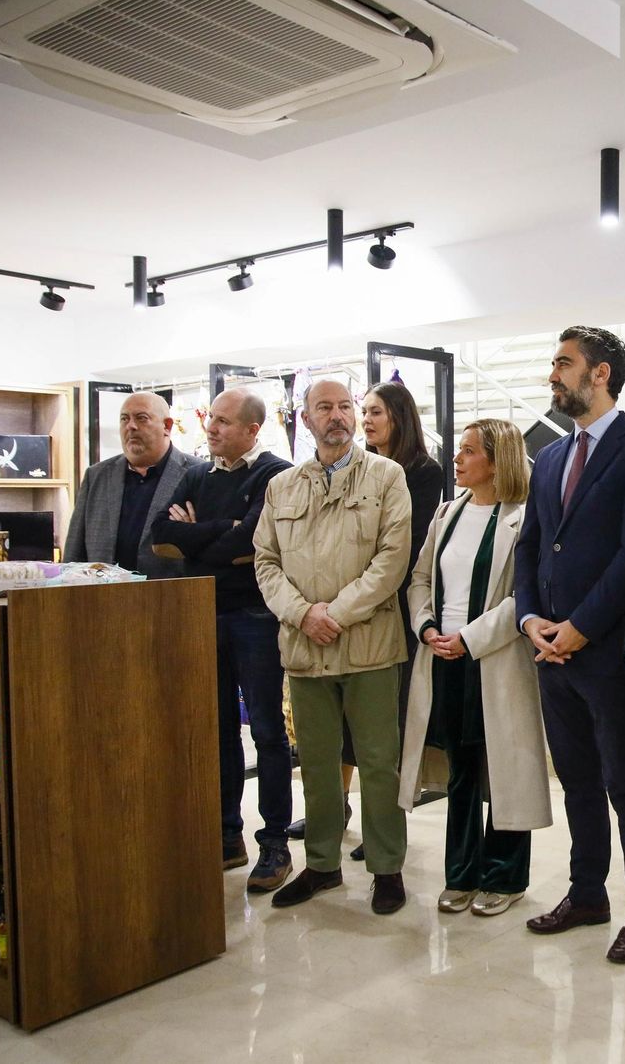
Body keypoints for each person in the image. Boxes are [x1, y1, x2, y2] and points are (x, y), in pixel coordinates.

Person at [513, 325, 625, 963]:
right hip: (550, 648)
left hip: (606, 652)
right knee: (577, 780)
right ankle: (587, 893)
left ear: (600, 373)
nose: (552, 375)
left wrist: (581, 627)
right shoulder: (550, 456)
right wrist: (532, 620)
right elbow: (532, 547)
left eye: (563, 363)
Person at [253, 380, 413, 916]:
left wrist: (336, 614)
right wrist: (303, 614)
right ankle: (321, 865)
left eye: (346, 406)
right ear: (306, 418)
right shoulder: (281, 487)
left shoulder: (388, 478)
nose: (339, 416)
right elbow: (265, 562)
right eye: (326, 408)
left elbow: (392, 560)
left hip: (368, 644)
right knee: (317, 765)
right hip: (304, 648)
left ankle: (387, 869)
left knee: (377, 763)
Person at [399, 419, 551, 917]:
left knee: (504, 767)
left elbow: (523, 596)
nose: (457, 460)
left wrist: (470, 637)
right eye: (458, 451)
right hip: (444, 655)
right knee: (461, 768)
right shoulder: (446, 514)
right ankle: (461, 873)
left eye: (467, 451)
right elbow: (420, 578)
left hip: (495, 657)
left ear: (497, 459)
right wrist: (426, 628)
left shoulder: (525, 518)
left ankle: (505, 877)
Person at [287, 381, 447, 855]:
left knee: (380, 734)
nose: (365, 419)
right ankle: (335, 810)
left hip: (386, 610)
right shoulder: (301, 480)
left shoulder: (415, 473)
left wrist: (338, 604)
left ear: (399, 417)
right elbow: (279, 554)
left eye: (374, 412)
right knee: (329, 735)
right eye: (366, 411)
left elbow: (396, 550)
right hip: (320, 618)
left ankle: (384, 829)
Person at [151, 389, 295, 889]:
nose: (211, 429)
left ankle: (274, 841)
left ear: (253, 430)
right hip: (204, 613)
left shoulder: (275, 473)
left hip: (256, 616)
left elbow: (253, 543)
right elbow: (159, 535)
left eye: (224, 422)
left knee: (267, 732)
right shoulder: (196, 473)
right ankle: (226, 834)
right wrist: (221, 534)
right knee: (215, 729)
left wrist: (196, 538)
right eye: (211, 419)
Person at [64, 392, 203, 577]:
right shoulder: (97, 476)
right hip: (102, 599)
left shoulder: (198, 475)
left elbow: (211, 552)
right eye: (124, 419)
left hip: (170, 599)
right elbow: (73, 556)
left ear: (167, 426)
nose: (131, 426)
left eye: (141, 418)